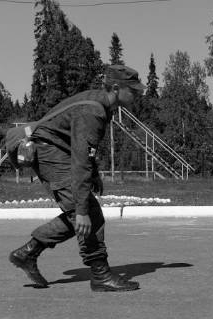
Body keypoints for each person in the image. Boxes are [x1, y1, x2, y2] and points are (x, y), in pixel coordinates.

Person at [9, 64, 145, 292]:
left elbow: (85, 150)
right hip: (48, 151)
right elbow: (80, 159)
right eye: (132, 90)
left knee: (82, 214)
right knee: (86, 213)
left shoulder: (103, 106)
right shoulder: (93, 111)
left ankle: (28, 253)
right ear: (115, 87)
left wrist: (95, 174)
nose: (137, 94)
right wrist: (82, 210)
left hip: (57, 151)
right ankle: (100, 275)